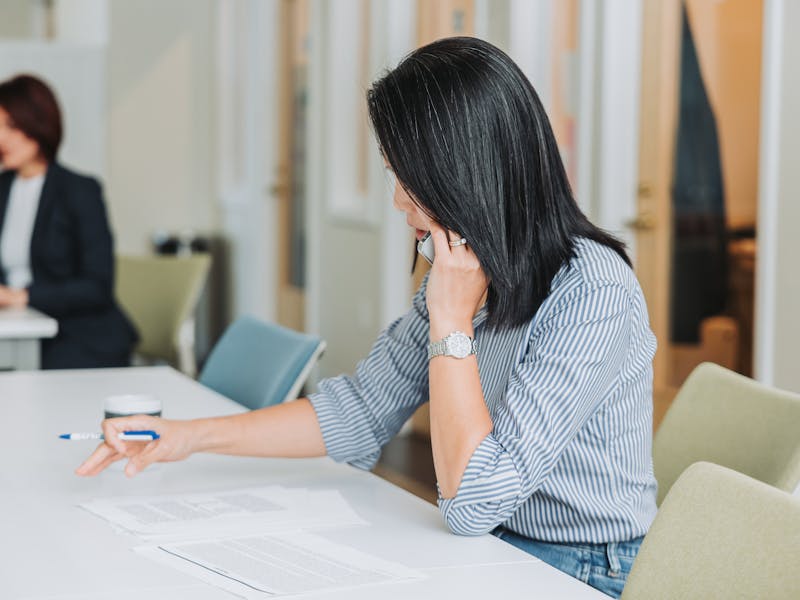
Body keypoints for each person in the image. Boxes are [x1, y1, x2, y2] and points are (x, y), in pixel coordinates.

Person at [77, 38, 657, 597]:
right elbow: (360, 410)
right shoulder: (464, 269)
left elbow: (475, 501)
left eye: (409, 177)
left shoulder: (591, 288)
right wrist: (187, 437)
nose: (400, 201)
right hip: (492, 541)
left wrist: (452, 326)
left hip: (580, 565)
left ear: (465, 171)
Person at [0, 74, 137, 368]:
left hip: (80, 335)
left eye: (11, 126)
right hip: (19, 326)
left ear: (38, 124)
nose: (1, 137)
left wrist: (19, 296)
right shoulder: (3, 189)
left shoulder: (80, 190)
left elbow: (97, 286)